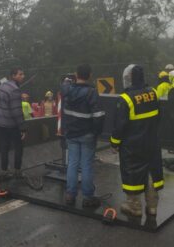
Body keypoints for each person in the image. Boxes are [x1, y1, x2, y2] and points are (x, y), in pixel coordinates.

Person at [110, 64, 163, 217]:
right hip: (152, 142)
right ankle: (152, 206)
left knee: (132, 173)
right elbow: (159, 116)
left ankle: (134, 207)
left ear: (130, 79)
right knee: (151, 171)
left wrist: (114, 143)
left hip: (132, 146)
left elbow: (119, 126)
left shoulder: (125, 99)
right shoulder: (153, 93)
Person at [61, 64, 105, 207]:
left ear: (76, 74)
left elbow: (62, 87)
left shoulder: (67, 90)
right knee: (86, 165)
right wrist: (96, 132)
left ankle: (70, 195)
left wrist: (67, 81)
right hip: (87, 134)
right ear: (90, 75)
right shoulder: (91, 92)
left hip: (71, 133)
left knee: (72, 163)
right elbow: (98, 115)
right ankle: (87, 197)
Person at [0, 67, 26, 179]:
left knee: (4, 146)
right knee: (18, 146)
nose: (23, 76)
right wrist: (22, 127)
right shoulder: (15, 90)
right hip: (10, 124)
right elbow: (16, 110)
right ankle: (17, 170)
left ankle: (4, 171)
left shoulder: (2, 86)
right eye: (20, 74)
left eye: (23, 74)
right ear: (13, 76)